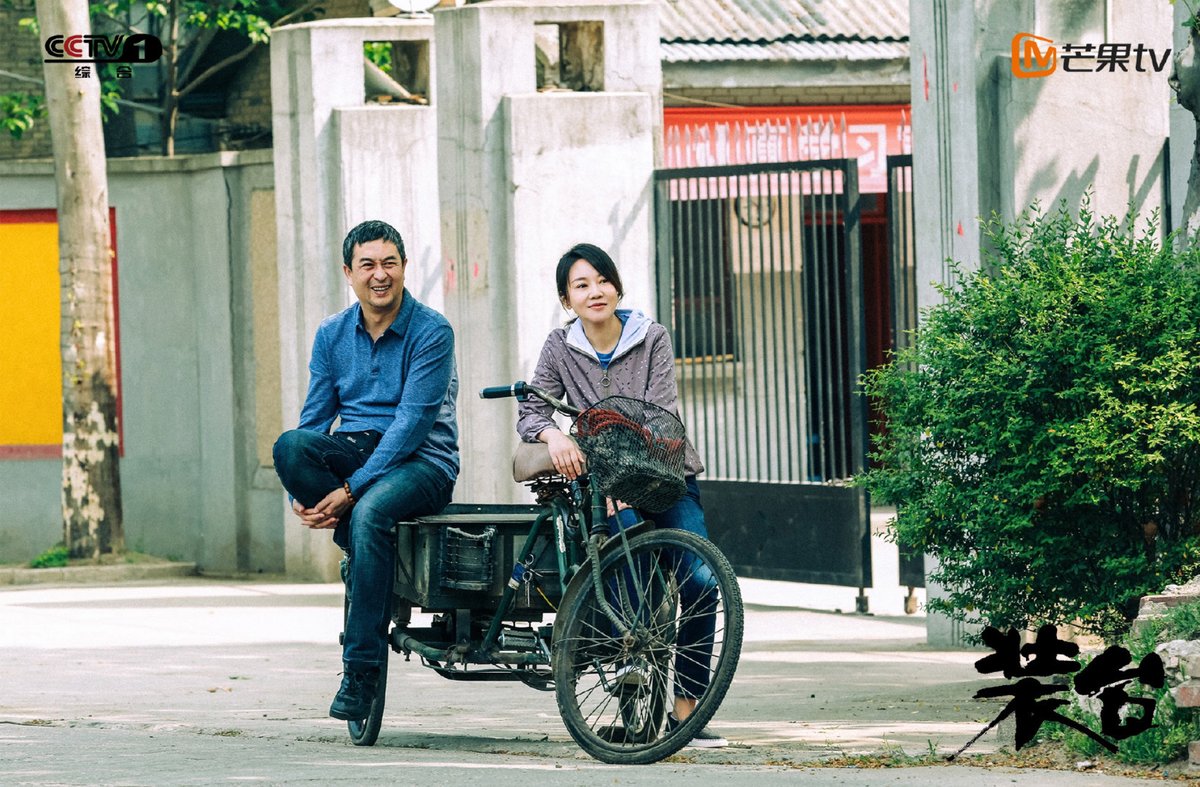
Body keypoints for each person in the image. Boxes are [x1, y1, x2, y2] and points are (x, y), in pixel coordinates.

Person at [515, 242, 728, 748]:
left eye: (601, 281)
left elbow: (657, 417)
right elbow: (530, 411)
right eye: (581, 285)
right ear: (567, 299)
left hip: (665, 474)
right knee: (627, 558)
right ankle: (631, 660)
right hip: (600, 488)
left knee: (701, 578)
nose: (594, 292)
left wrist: (621, 483)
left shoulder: (651, 337)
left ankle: (685, 712)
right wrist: (555, 436)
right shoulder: (559, 347)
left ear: (617, 286)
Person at [273, 219, 459, 721]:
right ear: (349, 273)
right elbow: (313, 422)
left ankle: (360, 673)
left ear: (403, 268)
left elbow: (411, 425)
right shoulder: (332, 333)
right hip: (353, 450)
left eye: (390, 263)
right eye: (368, 265)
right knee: (289, 447)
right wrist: (299, 490)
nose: (381, 275)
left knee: (371, 513)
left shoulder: (432, 330)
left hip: (423, 462)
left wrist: (352, 490)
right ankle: (358, 534)